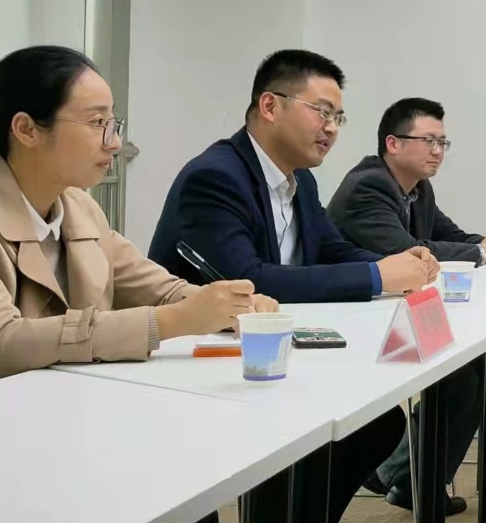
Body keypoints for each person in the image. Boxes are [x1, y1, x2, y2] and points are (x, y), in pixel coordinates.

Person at [0, 46, 272, 415]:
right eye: (96, 123)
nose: (114, 142)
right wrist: (170, 322)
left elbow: (159, 289)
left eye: (113, 123)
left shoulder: (78, 207)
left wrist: (227, 306)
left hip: (37, 417)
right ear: (26, 130)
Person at [147, 49, 432, 522]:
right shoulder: (215, 176)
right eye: (322, 111)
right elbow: (250, 280)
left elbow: (331, 248)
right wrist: (378, 275)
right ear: (270, 106)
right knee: (354, 424)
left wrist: (396, 264)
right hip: (206, 365)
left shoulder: (300, 181)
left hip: (271, 352)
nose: (332, 128)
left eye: (338, 117)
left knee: (376, 422)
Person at [329, 97, 486, 513]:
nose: (438, 151)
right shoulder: (368, 186)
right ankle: (402, 476)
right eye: (429, 140)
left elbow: (449, 236)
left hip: (393, 311)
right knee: (462, 376)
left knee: (478, 365)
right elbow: (409, 251)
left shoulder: (417, 188)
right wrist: (482, 254)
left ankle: (411, 480)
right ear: (393, 143)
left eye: (443, 142)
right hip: (350, 320)